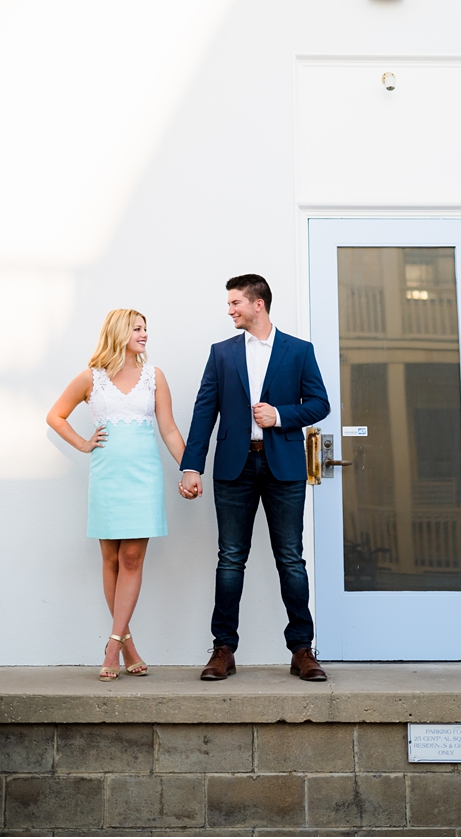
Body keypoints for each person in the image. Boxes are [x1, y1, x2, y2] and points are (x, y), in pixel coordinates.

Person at [179, 274, 330, 681]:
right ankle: (223, 650)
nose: (230, 310)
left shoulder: (299, 351)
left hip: (283, 466)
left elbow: (320, 404)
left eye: (235, 303)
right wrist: (192, 465)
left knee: (290, 560)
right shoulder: (222, 353)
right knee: (230, 559)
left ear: (257, 303)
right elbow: (203, 410)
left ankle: (302, 650)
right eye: (229, 304)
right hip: (234, 467)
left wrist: (280, 415)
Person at [47, 309, 186, 680]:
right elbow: (55, 416)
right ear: (119, 332)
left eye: (146, 329)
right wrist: (82, 443)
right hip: (107, 478)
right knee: (109, 559)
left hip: (144, 479)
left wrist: (189, 468)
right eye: (137, 329)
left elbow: (169, 430)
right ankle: (129, 646)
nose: (144, 334)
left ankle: (112, 645)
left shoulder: (154, 377)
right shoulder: (90, 378)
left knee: (131, 558)